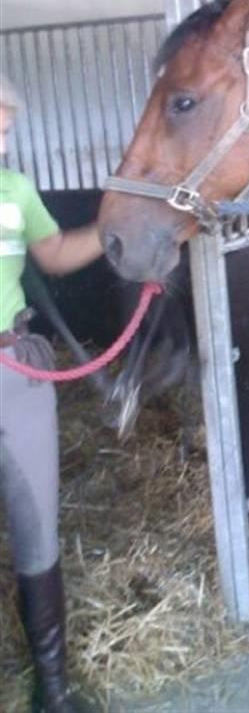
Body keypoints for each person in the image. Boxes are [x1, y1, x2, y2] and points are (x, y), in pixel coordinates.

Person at [1, 73, 103, 713]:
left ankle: (53, 689)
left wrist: (115, 225)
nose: (2, 132)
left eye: (6, 121)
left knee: (37, 522)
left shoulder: (14, 191)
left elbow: (58, 253)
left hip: (13, 365)